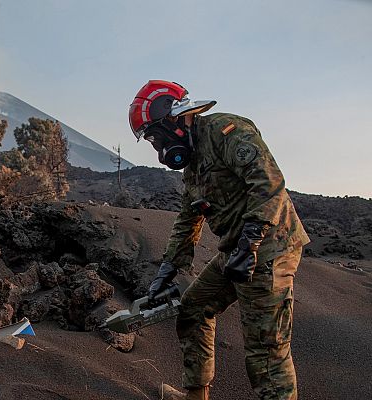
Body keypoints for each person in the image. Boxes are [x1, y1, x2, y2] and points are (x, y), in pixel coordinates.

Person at [128, 81, 310, 400]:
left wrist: (251, 242)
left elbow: (269, 185)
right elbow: (189, 218)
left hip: (269, 247)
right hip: (236, 250)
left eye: (156, 136)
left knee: (266, 353)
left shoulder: (227, 131)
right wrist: (166, 271)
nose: (158, 150)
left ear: (174, 118)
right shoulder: (194, 165)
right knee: (194, 308)